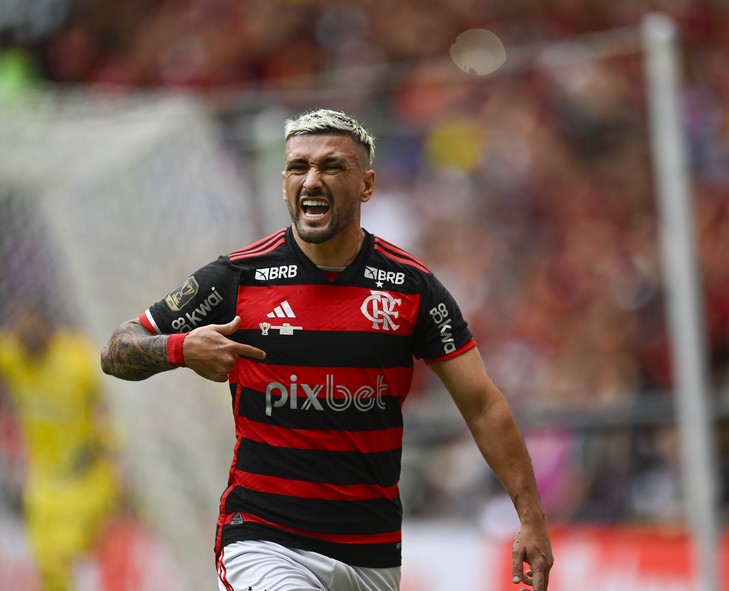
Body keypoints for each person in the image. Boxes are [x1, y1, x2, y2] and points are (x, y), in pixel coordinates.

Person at [100, 108, 553, 591]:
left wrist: (531, 517)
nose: (312, 180)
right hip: (265, 540)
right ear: (284, 184)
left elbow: (483, 405)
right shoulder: (237, 277)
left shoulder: (412, 288)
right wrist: (179, 348)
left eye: (331, 166)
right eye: (298, 167)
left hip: (372, 554)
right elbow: (117, 349)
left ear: (367, 185)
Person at [0, 304, 121, 591]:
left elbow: (107, 404)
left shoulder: (77, 359)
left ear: (49, 330)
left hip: (86, 480)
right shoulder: (14, 357)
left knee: (65, 557)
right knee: (49, 568)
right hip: (43, 483)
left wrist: (109, 445)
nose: (25, 336)